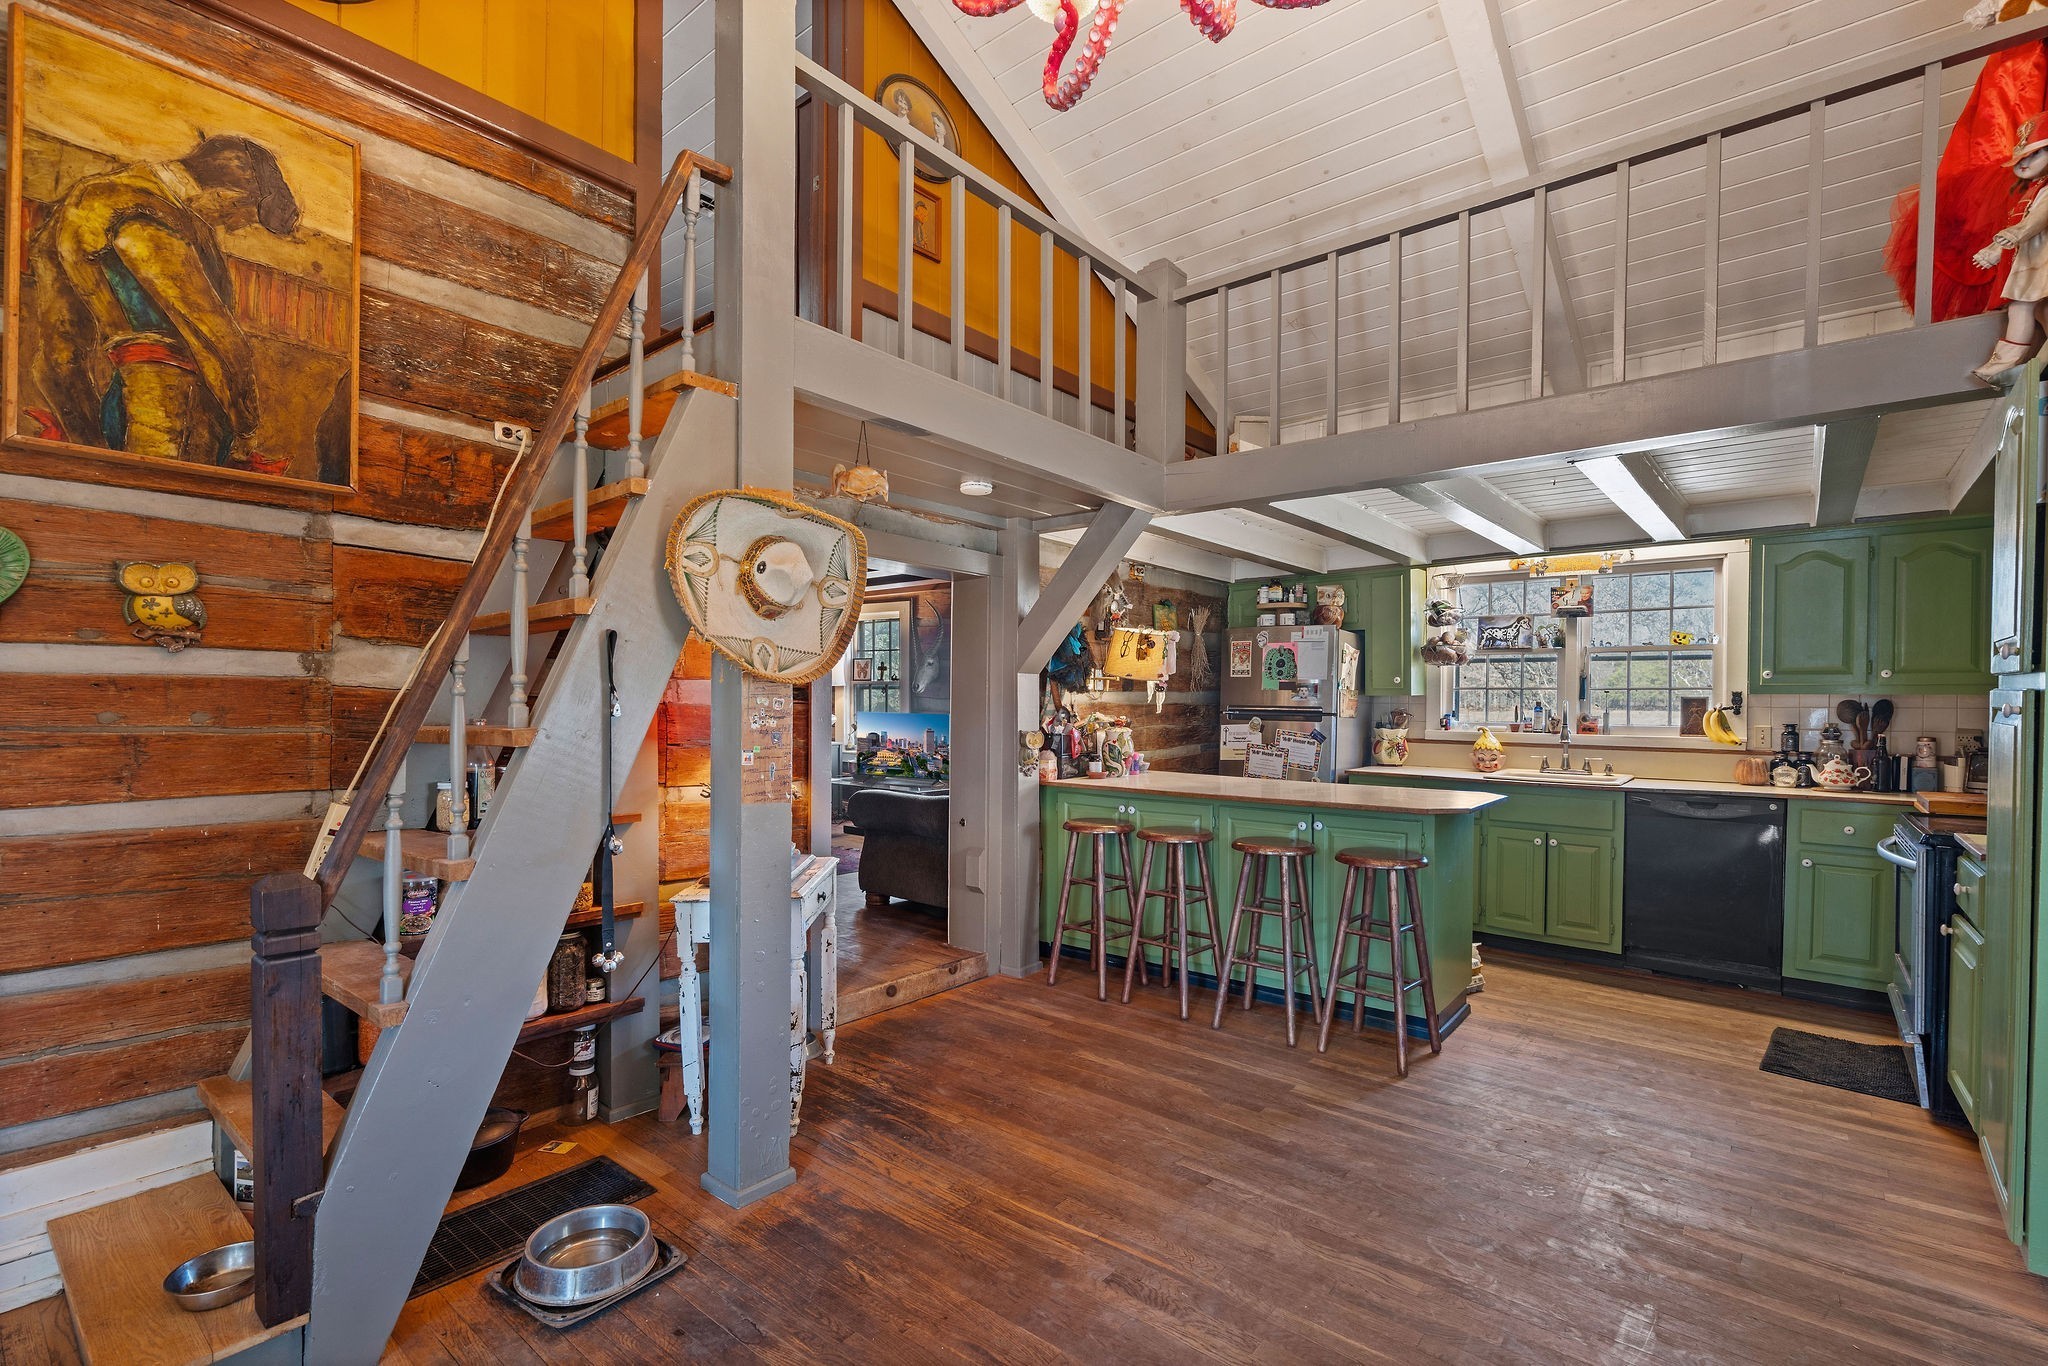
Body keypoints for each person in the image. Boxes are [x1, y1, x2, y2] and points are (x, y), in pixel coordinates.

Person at [24, 133, 301, 470]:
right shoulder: (146, 210)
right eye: (242, 216)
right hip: (170, 416)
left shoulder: (83, 204)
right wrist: (246, 426)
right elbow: (211, 331)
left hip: (126, 402)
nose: (233, 227)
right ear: (227, 195)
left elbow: (58, 356)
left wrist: (87, 440)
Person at [1970, 122, 2048, 382]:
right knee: (2034, 310)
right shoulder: (2033, 190)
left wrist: (2017, 233)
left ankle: (2005, 363)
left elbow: (2038, 217)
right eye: (2021, 157)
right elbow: (2018, 224)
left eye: (2034, 154)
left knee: (2022, 307)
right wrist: (1995, 249)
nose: (2024, 163)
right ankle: (2020, 363)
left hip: (2041, 260)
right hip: (2030, 260)